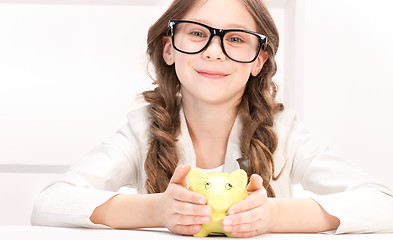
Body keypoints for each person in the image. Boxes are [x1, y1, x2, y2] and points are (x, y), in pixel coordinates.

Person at [31, 0, 393, 237]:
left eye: (235, 39)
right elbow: (49, 205)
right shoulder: (143, 128)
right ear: (169, 48)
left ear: (259, 60)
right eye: (198, 34)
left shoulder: (284, 131)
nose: (215, 52)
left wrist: (274, 217)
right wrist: (158, 210)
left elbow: (382, 204)